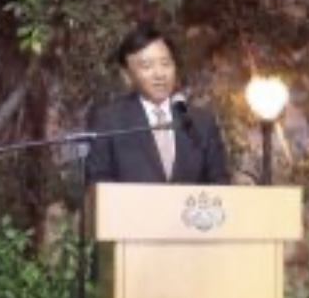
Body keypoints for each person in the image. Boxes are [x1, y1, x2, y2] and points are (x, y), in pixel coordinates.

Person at [86, 23, 230, 185]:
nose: (159, 74)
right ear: (127, 75)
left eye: (165, 64)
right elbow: (98, 184)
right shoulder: (110, 122)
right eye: (147, 66)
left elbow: (220, 183)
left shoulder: (201, 122)